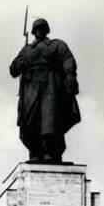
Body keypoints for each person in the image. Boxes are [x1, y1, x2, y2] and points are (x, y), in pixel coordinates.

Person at [9, 17, 81, 164]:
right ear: (34, 31)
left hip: (50, 86)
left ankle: (50, 152)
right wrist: (21, 63)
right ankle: (34, 151)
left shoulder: (57, 45)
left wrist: (70, 76)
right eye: (37, 28)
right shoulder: (27, 49)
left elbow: (68, 60)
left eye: (42, 28)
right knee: (30, 120)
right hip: (31, 88)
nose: (40, 31)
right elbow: (13, 69)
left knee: (50, 120)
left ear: (47, 30)